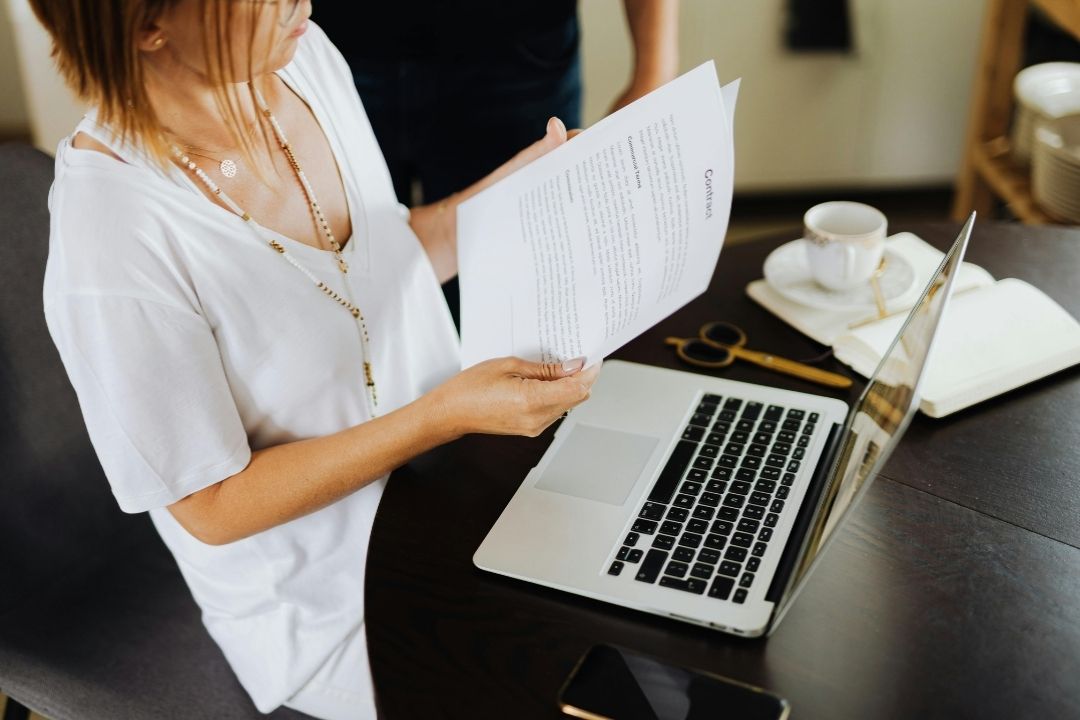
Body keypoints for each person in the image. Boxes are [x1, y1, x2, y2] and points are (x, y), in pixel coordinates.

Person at [32, 1, 601, 718]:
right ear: (148, 26)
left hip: (458, 498)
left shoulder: (303, 57)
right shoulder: (113, 235)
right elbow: (209, 505)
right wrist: (441, 417)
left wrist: (519, 191)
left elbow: (378, 258)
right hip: (336, 604)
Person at [313, 0, 680, 328]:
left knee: (520, 311)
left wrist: (654, 71)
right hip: (327, 43)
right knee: (339, 293)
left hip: (521, 54)